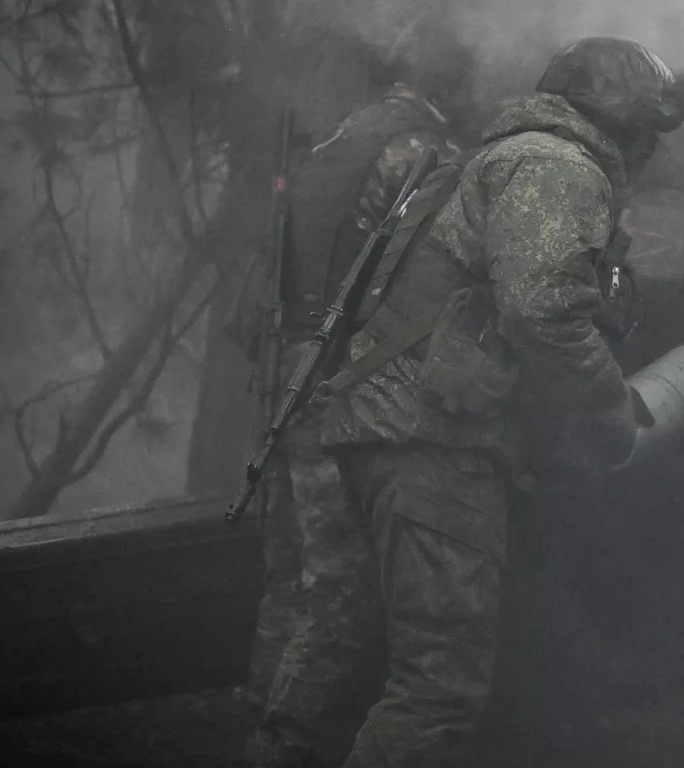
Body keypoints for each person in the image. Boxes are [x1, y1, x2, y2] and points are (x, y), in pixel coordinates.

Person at [309, 37, 684, 767]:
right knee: (437, 688)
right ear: (619, 121)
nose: (652, 152)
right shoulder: (557, 166)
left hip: (401, 432)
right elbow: (543, 315)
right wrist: (609, 416)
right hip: (431, 445)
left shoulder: (516, 156)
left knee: (415, 672)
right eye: (649, 132)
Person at [247, 20, 467, 768]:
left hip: (289, 372)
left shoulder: (340, 141)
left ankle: (263, 721)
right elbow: (431, 282)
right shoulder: (421, 150)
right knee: (340, 589)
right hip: (337, 383)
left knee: (290, 579)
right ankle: (285, 745)